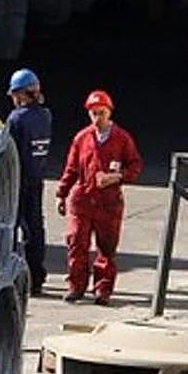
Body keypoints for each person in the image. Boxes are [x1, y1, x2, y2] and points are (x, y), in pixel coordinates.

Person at [56, 89, 142, 305]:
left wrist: (116, 177)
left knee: (106, 247)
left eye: (101, 113)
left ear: (109, 112)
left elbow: (135, 165)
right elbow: (71, 168)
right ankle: (76, 286)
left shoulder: (122, 139)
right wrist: (61, 193)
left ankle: (102, 289)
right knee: (77, 242)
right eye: (93, 113)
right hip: (82, 199)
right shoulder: (82, 138)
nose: (97, 118)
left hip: (108, 202)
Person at [6, 68, 52, 295]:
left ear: (22, 94)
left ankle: (13, 275)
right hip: (37, 179)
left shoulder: (17, 119)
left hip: (19, 181)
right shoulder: (45, 116)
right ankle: (37, 277)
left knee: (12, 229)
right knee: (36, 228)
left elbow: (7, 152)